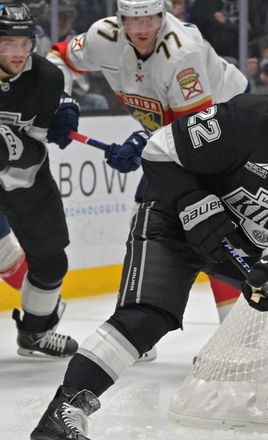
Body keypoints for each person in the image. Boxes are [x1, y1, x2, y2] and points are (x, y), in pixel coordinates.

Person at [19, 58, 268, 440]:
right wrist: (194, 203)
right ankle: (62, 414)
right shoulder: (243, 121)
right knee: (147, 316)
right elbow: (159, 149)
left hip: (237, 242)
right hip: (172, 223)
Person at [47, 0, 249, 321]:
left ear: (162, 16)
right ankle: (138, 320)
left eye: (151, 19)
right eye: (133, 20)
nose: (143, 30)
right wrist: (61, 99)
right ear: (120, 19)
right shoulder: (104, 36)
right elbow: (58, 58)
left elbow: (192, 135)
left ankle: (236, 330)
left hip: (227, 122)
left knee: (211, 221)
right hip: (185, 131)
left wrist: (142, 142)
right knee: (148, 218)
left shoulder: (182, 53)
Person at [0, 3, 78, 358]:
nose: (18, 53)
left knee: (51, 262)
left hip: (23, 177)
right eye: (7, 44)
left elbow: (37, 143)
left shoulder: (46, 77)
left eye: (24, 43)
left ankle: (35, 333)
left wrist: (15, 146)